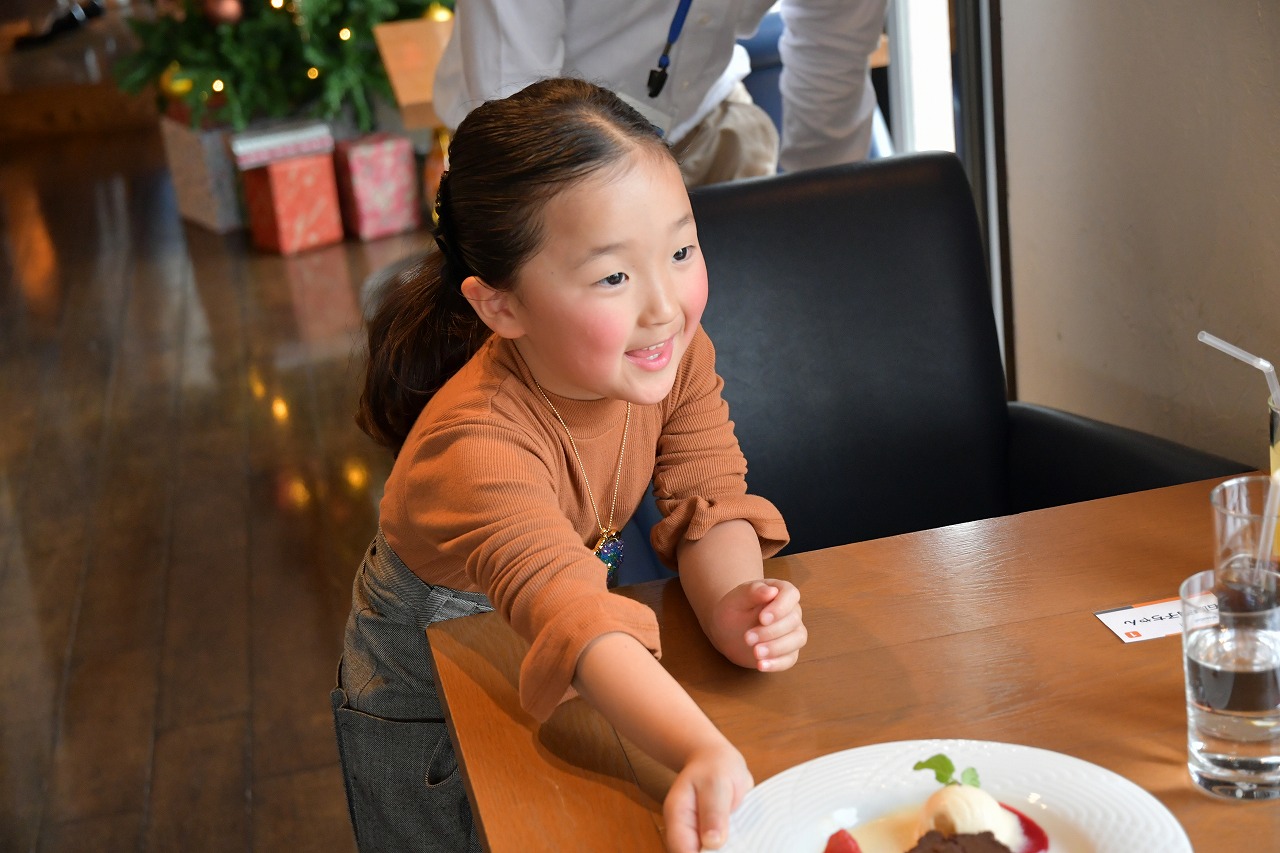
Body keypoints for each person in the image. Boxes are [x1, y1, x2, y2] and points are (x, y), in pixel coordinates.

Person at [331, 78, 808, 853]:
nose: (664, 305)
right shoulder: (475, 446)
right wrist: (698, 747)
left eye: (681, 250)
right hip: (433, 684)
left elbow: (709, 492)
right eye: (614, 276)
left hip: (569, 625)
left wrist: (734, 603)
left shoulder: (670, 354)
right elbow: (574, 618)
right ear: (501, 307)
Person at [432, 0, 888, 186]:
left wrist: (826, 213)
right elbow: (516, 97)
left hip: (705, 118)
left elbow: (833, 54)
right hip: (542, 147)